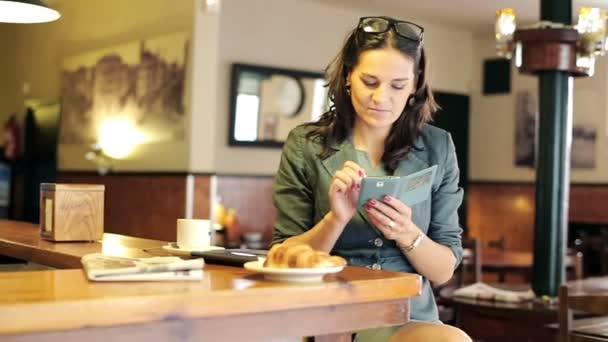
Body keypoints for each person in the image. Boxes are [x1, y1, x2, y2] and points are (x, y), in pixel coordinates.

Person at [271, 16, 470, 341]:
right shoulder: (305, 145)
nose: (382, 98)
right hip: (328, 314)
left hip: (407, 314)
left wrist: (407, 233)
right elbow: (283, 255)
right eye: (370, 82)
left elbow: (444, 270)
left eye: (397, 85)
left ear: (415, 85)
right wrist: (335, 220)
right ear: (349, 76)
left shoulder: (438, 146)